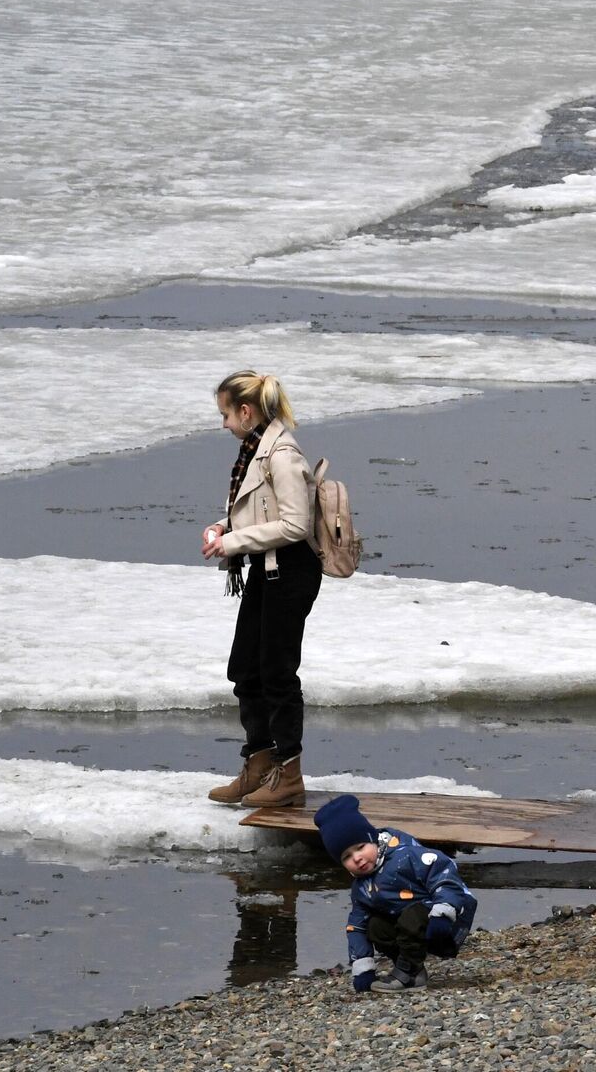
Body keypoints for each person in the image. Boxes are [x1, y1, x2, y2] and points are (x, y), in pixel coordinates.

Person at [203, 371, 322, 809]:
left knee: (276, 673)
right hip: (266, 568)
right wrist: (223, 527)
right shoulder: (254, 451)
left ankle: (288, 774)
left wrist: (231, 542)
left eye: (226, 414)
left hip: (291, 571)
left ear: (246, 412)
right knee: (245, 669)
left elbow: (295, 525)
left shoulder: (282, 454)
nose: (224, 424)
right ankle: (257, 763)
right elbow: (257, 511)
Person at [313, 794, 477, 993]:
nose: (357, 858)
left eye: (360, 847)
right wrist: (362, 967)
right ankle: (414, 972)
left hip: (447, 918)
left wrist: (443, 912)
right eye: (347, 856)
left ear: (372, 838)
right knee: (375, 927)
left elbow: (444, 875)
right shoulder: (361, 888)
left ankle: (406, 973)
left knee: (412, 917)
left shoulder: (405, 855)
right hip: (412, 928)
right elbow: (357, 926)